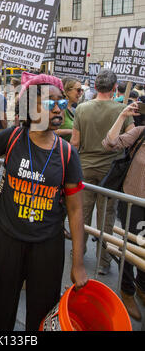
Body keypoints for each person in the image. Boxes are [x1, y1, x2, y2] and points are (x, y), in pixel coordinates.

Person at [0, 72, 88, 331]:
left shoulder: (68, 154)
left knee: (41, 317)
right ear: (28, 107)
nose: (58, 108)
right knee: (0, 313)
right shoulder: (12, 137)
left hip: (47, 248)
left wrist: (78, 262)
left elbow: (76, 209)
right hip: (7, 240)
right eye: (49, 102)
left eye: (61, 102)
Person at [71, 70, 134, 275]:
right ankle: (103, 261)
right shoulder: (123, 110)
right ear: (115, 88)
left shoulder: (81, 108)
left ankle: (78, 252)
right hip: (111, 171)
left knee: (83, 212)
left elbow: (75, 142)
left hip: (85, 167)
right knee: (106, 216)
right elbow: (131, 139)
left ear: (95, 87)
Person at [102, 101, 145, 321]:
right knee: (131, 247)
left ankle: (142, 287)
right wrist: (122, 115)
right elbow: (109, 143)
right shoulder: (140, 133)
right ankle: (127, 291)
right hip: (134, 204)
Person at [56, 78, 83, 142]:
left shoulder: (72, 109)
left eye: (82, 90)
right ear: (67, 91)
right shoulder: (61, 109)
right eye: (78, 90)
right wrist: (71, 131)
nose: (81, 93)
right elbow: (50, 131)